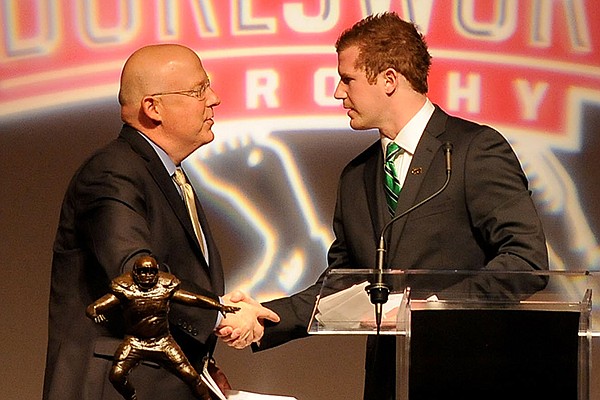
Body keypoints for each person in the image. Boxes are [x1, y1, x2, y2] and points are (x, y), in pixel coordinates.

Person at [218, 12, 549, 400]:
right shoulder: (356, 175)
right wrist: (266, 318)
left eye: (348, 79)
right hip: (388, 383)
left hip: (468, 374)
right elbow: (344, 280)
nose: (339, 93)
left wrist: (430, 311)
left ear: (389, 80)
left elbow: (525, 260)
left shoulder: (473, 150)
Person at [43, 44, 279, 400]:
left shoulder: (167, 175)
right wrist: (222, 315)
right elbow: (139, 279)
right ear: (153, 107)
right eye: (198, 90)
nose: (213, 99)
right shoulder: (113, 172)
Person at [86, 255, 240, 400]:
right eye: (143, 272)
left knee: (191, 376)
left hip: (162, 341)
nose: (147, 276)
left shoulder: (164, 287)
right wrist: (95, 313)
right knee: (117, 375)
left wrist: (219, 306)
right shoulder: (126, 289)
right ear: (135, 273)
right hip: (135, 341)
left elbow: (193, 299)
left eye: (151, 272)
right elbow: (96, 307)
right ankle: (132, 396)